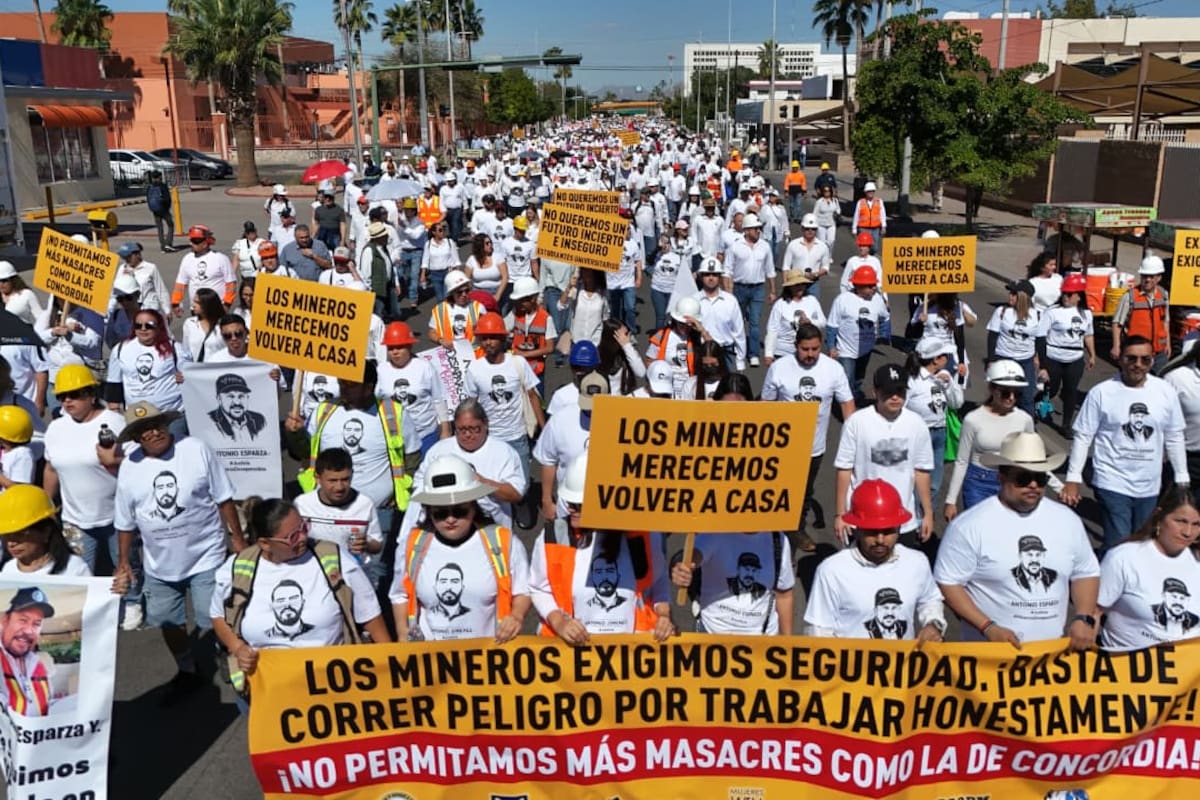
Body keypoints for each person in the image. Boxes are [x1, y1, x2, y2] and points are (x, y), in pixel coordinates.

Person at [114, 401, 246, 705]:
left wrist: (236, 539)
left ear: (166, 424)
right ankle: (187, 669)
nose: (152, 433)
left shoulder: (196, 449)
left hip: (205, 554)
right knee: (168, 622)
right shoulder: (129, 467)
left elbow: (224, 498)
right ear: (136, 438)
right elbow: (124, 521)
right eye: (143, 431)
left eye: (156, 425)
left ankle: (228, 654)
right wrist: (123, 562)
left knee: (210, 616)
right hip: (159, 564)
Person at [212, 497, 389, 704]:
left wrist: (391, 665)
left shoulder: (333, 558)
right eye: (292, 536)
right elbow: (218, 615)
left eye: (304, 527)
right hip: (266, 689)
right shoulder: (236, 568)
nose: (303, 537)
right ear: (264, 543)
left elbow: (369, 614)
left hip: (332, 686)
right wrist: (238, 647)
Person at [935, 431, 1100, 650]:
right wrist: (988, 627)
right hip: (990, 657)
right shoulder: (969, 526)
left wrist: (1083, 617)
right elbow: (948, 582)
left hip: (1050, 659)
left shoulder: (1067, 520)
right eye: (1023, 478)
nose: (1033, 485)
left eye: (1040, 478)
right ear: (1001, 477)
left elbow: (1086, 572)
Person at [1062, 334, 1189, 552]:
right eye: (1131, 359)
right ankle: (1103, 584)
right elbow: (1083, 436)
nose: (1138, 365)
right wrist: (1073, 478)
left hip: (1149, 484)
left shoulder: (1165, 392)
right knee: (1119, 542)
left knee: (1143, 543)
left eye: (1145, 359)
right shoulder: (1102, 393)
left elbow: (1174, 436)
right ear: (1120, 359)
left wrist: (1181, 477)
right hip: (1111, 480)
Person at [531, 453, 672, 644]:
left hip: (630, 655)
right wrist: (559, 622)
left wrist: (663, 615)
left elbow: (659, 580)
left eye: (578, 505)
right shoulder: (554, 537)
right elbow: (539, 588)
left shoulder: (643, 535)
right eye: (570, 502)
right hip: (574, 655)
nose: (571, 508)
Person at [389, 454, 531, 642]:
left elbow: (523, 591)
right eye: (440, 513)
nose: (450, 519)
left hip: (487, 657)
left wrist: (516, 616)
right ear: (428, 510)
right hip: (430, 658)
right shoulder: (413, 545)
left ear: (473, 506)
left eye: (459, 511)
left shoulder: (503, 542)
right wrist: (401, 631)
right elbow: (400, 595)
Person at [285, 359, 415, 540]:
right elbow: (304, 453)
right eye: (341, 383)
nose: (343, 388)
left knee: (375, 567)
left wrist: (398, 494)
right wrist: (295, 434)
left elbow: (413, 460)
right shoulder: (324, 410)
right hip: (326, 514)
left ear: (369, 387)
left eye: (350, 384)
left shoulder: (394, 413)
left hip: (378, 514)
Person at [805, 480, 945, 641]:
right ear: (857, 529)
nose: (880, 539)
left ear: (899, 528)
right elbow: (818, 630)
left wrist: (933, 624)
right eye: (872, 532)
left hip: (903, 665)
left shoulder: (917, 563)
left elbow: (930, 599)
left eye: (888, 531)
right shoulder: (832, 571)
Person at [762, 323, 854, 549]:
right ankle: (771, 533)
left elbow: (847, 404)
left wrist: (853, 439)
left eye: (814, 349)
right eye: (805, 349)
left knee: (804, 491)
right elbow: (766, 405)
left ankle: (796, 529)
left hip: (815, 446)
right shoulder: (780, 368)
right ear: (796, 346)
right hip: (782, 445)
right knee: (778, 490)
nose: (810, 354)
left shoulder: (833, 369)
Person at [835, 363, 934, 548]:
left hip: (903, 520)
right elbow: (844, 469)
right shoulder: (856, 422)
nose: (895, 397)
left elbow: (921, 471)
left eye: (900, 391)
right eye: (888, 392)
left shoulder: (917, 424)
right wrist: (840, 514)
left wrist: (927, 513)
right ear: (875, 392)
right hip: (861, 517)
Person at [1097, 487, 1200, 651]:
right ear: (1159, 516)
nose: (1188, 532)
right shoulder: (1124, 557)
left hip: (1186, 672)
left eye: (1196, 524)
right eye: (1180, 521)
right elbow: (1094, 612)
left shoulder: (1197, 563)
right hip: (1126, 668)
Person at [944, 360, 1035, 518]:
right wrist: (951, 500)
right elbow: (962, 461)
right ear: (992, 389)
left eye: (1017, 393)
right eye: (1006, 392)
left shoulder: (1024, 419)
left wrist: (1059, 486)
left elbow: (1033, 458)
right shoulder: (973, 419)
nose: (1011, 398)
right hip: (978, 482)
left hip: (1011, 483)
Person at [465, 312, 544, 485]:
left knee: (521, 487)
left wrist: (543, 429)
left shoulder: (518, 363)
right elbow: (470, 405)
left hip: (518, 437)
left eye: (493, 337)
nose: (488, 342)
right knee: (493, 487)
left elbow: (532, 396)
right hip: (489, 439)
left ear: (502, 338)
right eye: (484, 338)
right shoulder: (474, 369)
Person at [294, 448, 384, 572]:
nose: (339, 487)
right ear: (317, 478)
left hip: (353, 574)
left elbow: (377, 545)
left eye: (345, 479)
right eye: (332, 480)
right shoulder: (302, 504)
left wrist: (366, 544)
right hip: (314, 573)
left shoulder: (365, 504)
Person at [904, 339, 964, 520]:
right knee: (914, 479)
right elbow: (901, 406)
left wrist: (950, 384)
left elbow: (957, 403)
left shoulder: (943, 376)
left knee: (934, 483)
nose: (948, 358)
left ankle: (924, 519)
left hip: (939, 434)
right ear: (934, 359)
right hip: (919, 435)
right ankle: (909, 519)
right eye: (944, 355)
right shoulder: (913, 380)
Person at [376, 321, 449, 463]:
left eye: (400, 347)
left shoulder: (424, 367)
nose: (395, 352)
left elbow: (438, 399)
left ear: (410, 346)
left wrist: (445, 431)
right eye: (391, 348)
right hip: (394, 439)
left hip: (426, 435)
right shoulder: (380, 370)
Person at [1036, 272, 1094, 435]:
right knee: (1051, 389)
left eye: (1070, 294)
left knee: (1070, 391)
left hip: (1075, 358)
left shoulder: (1086, 314)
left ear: (1079, 296)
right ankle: (1037, 405)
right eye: (1064, 294)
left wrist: (1092, 354)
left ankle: (1066, 424)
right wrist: (1042, 363)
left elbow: (1088, 335)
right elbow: (1040, 337)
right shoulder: (1052, 312)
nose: (1066, 297)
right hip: (1053, 357)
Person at [826, 265, 891, 403]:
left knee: (859, 377)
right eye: (870, 286)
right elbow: (832, 325)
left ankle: (854, 395)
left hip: (865, 349)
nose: (874, 288)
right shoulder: (842, 300)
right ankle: (846, 408)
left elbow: (885, 317)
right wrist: (831, 346)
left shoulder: (877, 299)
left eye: (874, 285)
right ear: (858, 286)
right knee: (847, 379)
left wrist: (884, 335)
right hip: (845, 350)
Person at [0, 485, 92, 577]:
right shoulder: (8, 570)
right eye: (6, 535)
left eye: (20, 534)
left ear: (46, 532)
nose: (11, 543)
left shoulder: (74, 569)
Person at [723, 213, 775, 367]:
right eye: (754, 229)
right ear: (746, 230)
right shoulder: (735, 246)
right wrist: (728, 292)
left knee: (754, 322)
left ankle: (753, 354)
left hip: (758, 288)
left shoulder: (765, 246)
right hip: (739, 288)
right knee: (736, 322)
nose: (758, 231)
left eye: (758, 228)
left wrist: (772, 291)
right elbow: (727, 270)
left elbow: (770, 270)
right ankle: (736, 349)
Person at [986, 279, 1042, 417]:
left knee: (1027, 397)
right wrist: (991, 360)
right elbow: (992, 336)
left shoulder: (1037, 315)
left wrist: (1039, 360)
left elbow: (1040, 340)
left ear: (1023, 297)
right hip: (1004, 358)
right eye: (1010, 293)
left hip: (1026, 361)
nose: (1010, 296)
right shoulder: (1002, 311)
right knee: (1002, 396)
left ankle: (1027, 429)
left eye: (1014, 293)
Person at [0, 586, 58, 715]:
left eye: (36, 624)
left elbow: (48, 704)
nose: (28, 631)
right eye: (22, 620)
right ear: (5, 620)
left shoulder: (39, 665)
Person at [1112, 254, 1170, 372]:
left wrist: (1167, 344)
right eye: (1144, 276)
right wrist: (1116, 346)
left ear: (1159, 277)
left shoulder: (1163, 295)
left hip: (1159, 353)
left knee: (1160, 384)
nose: (1147, 279)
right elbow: (1117, 324)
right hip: (1136, 353)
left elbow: (1165, 321)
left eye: (1151, 276)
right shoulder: (1130, 297)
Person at [694, 256, 747, 372]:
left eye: (715, 275)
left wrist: (740, 361)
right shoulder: (694, 301)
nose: (711, 278)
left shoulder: (730, 301)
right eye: (707, 275)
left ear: (719, 277)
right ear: (701, 277)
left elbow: (739, 332)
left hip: (726, 353)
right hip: (703, 354)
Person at [171, 225, 236, 313]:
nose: (191, 244)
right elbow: (181, 284)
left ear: (205, 243)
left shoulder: (221, 259)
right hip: (195, 309)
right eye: (191, 240)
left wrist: (227, 304)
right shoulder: (187, 259)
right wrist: (176, 303)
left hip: (216, 309)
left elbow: (231, 284)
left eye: (195, 241)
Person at [763, 271, 824, 365]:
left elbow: (823, 322)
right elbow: (772, 330)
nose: (800, 287)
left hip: (806, 352)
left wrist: (810, 322)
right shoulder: (780, 304)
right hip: (783, 352)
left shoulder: (812, 301)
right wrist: (768, 354)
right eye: (796, 285)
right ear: (789, 287)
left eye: (802, 284)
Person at [506, 277, 557, 383]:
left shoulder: (546, 318)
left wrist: (524, 354)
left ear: (533, 298)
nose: (518, 304)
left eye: (521, 300)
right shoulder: (515, 312)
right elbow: (503, 327)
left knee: (537, 399)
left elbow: (549, 347)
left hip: (536, 372)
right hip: (516, 368)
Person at [781, 214, 831, 299]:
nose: (810, 231)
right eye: (807, 228)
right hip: (795, 282)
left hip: (813, 283)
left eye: (813, 229)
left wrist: (815, 274)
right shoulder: (793, 245)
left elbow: (826, 267)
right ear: (802, 228)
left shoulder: (823, 246)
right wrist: (786, 286)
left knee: (812, 309)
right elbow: (786, 267)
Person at [115, 241, 170, 318]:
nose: (126, 260)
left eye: (128, 257)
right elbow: (117, 291)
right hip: (131, 310)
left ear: (137, 255)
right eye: (124, 257)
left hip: (149, 309)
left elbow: (161, 289)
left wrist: (167, 310)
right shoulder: (122, 268)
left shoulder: (150, 268)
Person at [609, 224, 643, 334]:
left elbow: (638, 261)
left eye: (629, 229)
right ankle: (616, 330)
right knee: (615, 310)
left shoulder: (633, 244)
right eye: (626, 229)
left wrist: (639, 278)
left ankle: (631, 330)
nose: (628, 231)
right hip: (612, 282)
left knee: (630, 308)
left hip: (628, 282)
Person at [181, 288, 227, 363]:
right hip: (198, 371)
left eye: (197, 302)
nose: (193, 305)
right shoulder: (189, 323)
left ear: (207, 304)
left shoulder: (224, 324)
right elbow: (185, 351)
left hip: (218, 369)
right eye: (194, 301)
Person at [421, 220, 460, 304]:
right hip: (435, 274)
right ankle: (443, 315)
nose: (442, 232)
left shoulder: (449, 242)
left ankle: (449, 314)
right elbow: (425, 259)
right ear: (434, 232)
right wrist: (423, 274)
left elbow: (456, 259)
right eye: (440, 230)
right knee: (439, 298)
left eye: (443, 229)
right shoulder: (428, 244)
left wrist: (457, 272)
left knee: (447, 296)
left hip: (448, 272)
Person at [465, 233, 506, 307]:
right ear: (480, 246)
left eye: (490, 242)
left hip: (496, 291)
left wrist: (498, 295)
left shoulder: (498, 257)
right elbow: (466, 280)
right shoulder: (471, 260)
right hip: (478, 292)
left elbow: (505, 277)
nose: (490, 245)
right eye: (487, 243)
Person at [850, 181, 886, 252]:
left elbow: (882, 214)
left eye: (872, 191)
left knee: (874, 247)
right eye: (869, 191)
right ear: (865, 192)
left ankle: (871, 256)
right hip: (863, 228)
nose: (870, 193)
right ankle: (866, 259)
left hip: (875, 228)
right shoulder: (860, 202)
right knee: (864, 246)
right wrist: (854, 229)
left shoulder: (879, 201)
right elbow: (856, 216)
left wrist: (884, 226)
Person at [146, 170, 177, 252]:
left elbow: (148, 199)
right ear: (160, 177)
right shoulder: (162, 186)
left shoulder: (150, 187)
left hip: (155, 210)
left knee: (160, 228)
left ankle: (162, 246)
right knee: (170, 225)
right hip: (163, 209)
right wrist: (167, 208)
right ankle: (168, 243)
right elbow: (167, 199)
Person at [812, 184, 839, 249]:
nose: (827, 192)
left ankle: (829, 256)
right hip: (821, 225)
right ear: (822, 192)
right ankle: (822, 257)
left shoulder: (835, 200)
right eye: (825, 191)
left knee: (831, 241)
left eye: (828, 191)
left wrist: (837, 213)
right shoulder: (819, 201)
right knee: (821, 243)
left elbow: (838, 209)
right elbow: (815, 214)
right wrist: (814, 225)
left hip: (831, 224)